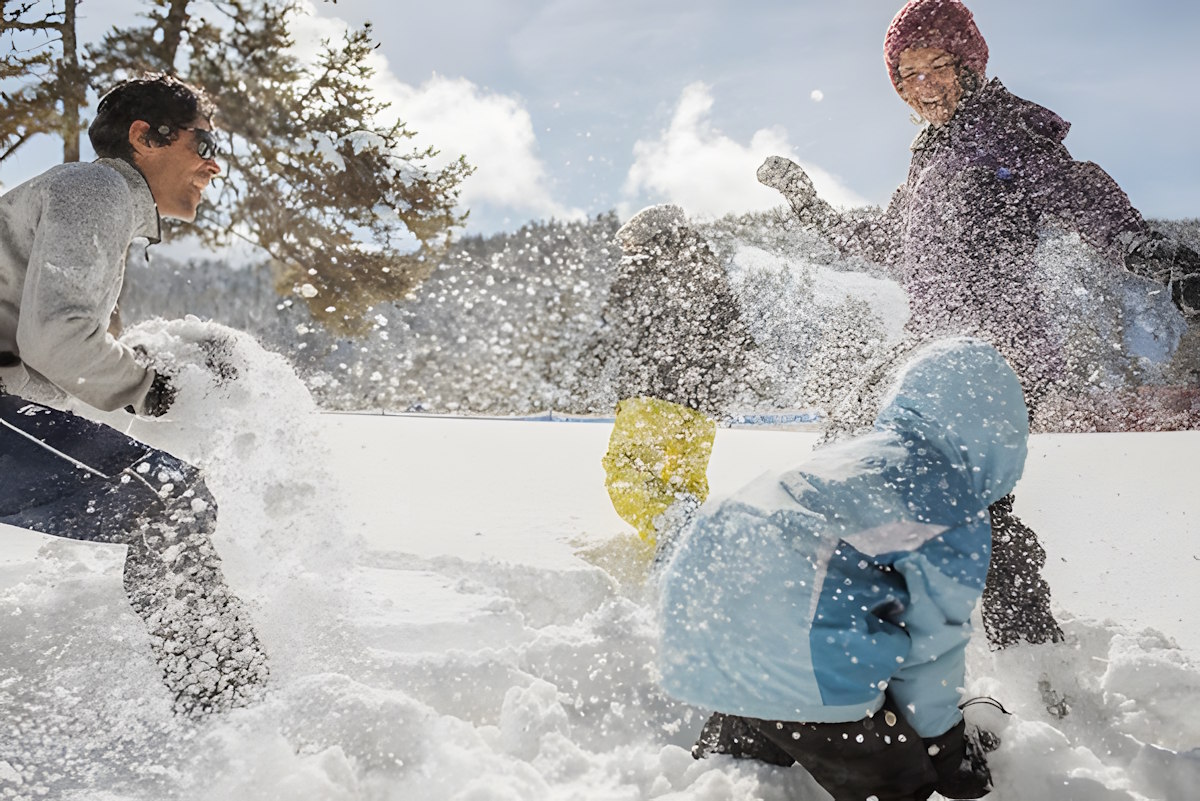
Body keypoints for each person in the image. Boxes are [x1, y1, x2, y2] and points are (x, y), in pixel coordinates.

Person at [758, 0, 1199, 650]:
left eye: (941, 65)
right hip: (925, 356)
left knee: (967, 508)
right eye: (910, 73)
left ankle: (1026, 655)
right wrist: (807, 204)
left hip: (998, 357)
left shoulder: (1005, 131)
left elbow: (1076, 190)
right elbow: (884, 241)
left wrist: (1148, 251)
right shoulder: (927, 158)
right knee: (843, 454)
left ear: (969, 66)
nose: (926, 82)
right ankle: (869, 626)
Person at [0, 73, 268, 716]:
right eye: (204, 141)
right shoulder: (95, 189)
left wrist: (150, 366)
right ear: (145, 137)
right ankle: (231, 706)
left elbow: (55, 343)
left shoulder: (91, 205)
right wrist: (150, 387)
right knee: (170, 500)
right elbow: (56, 339)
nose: (213, 163)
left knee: (167, 502)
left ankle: (226, 697)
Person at [657, 338, 1028, 801]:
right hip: (805, 665)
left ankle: (741, 739)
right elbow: (933, 649)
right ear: (1001, 438)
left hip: (712, 647)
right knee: (904, 777)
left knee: (757, 732)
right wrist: (942, 745)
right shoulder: (952, 505)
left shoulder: (856, 458)